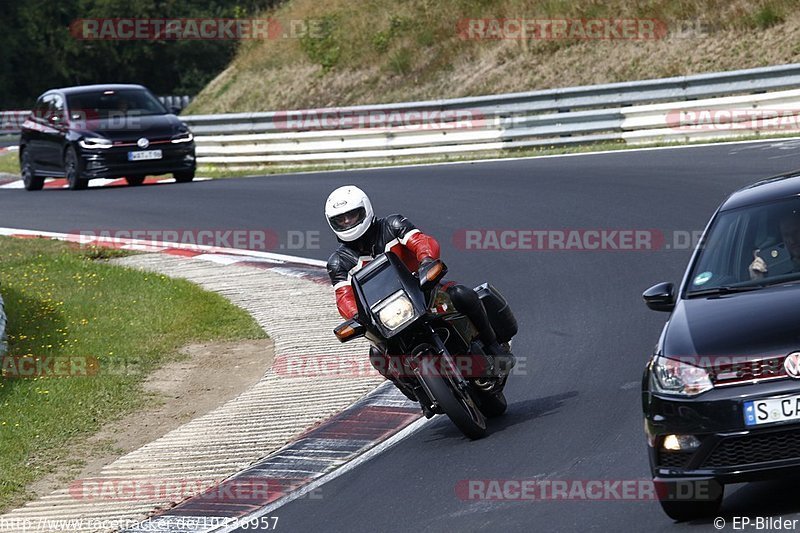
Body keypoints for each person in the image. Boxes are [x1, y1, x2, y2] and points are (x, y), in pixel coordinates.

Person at [324, 185, 514, 406]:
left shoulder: (393, 225)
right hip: (384, 315)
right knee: (377, 355)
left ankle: (494, 347)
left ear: (365, 210)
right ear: (332, 223)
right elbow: (343, 296)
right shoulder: (338, 262)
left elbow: (422, 241)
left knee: (462, 294)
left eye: (352, 215)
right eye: (341, 220)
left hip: (422, 289)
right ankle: (417, 391)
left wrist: (426, 260)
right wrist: (357, 315)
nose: (348, 222)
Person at [749, 209, 800, 280]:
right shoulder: (773, 269)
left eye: (795, 232)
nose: (792, 240)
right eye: (786, 235)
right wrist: (758, 279)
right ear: (781, 238)